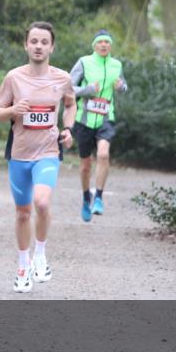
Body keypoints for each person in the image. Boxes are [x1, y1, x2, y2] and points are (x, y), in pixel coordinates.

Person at [0, 22, 76, 293]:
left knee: (41, 202)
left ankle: (40, 252)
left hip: (48, 152)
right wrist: (13, 110)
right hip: (19, 153)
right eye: (34, 41)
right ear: (26, 45)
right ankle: (22, 265)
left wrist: (68, 129)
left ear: (52, 47)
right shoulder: (13, 78)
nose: (38, 46)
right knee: (22, 212)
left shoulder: (62, 78)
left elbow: (71, 103)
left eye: (44, 42)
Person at [70, 29, 127, 222]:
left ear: (111, 46)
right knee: (86, 165)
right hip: (83, 120)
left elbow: (123, 85)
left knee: (103, 154)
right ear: (94, 45)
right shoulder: (84, 62)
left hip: (105, 118)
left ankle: (99, 198)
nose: (104, 45)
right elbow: (68, 88)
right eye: (100, 42)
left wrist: (121, 87)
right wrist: (87, 90)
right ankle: (86, 198)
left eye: (107, 42)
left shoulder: (116, 65)